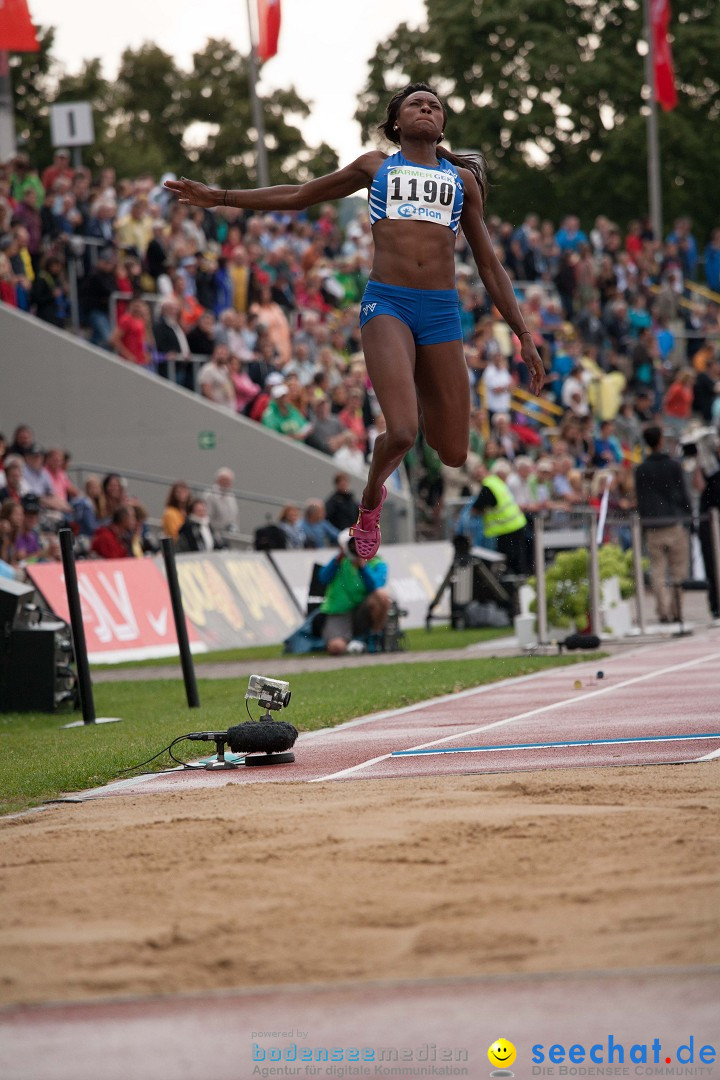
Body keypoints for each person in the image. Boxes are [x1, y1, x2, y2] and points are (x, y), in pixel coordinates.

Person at [165, 81, 543, 560]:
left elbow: (489, 265)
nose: (426, 109)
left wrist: (524, 335)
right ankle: (369, 502)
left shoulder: (461, 181)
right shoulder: (376, 166)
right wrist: (219, 196)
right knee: (403, 431)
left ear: (442, 124)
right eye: (415, 105)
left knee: (454, 453)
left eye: (435, 105)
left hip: (442, 312)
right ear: (397, 124)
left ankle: (411, 422)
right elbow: (300, 194)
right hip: (389, 305)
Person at [634, 426, 691, 623]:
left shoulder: (641, 469)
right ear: (660, 441)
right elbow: (683, 493)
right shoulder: (673, 465)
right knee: (677, 571)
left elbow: (640, 499)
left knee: (657, 571)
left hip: (653, 524)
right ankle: (677, 610)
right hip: (673, 522)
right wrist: (688, 514)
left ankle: (663, 610)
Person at [316, 530, 391, 655]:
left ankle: (374, 636)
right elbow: (323, 578)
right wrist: (338, 559)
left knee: (382, 596)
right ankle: (356, 645)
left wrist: (363, 568)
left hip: (363, 611)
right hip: (340, 611)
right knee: (336, 648)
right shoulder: (340, 560)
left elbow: (374, 587)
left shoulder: (378, 564)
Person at [469, 461, 528, 575]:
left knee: (509, 564)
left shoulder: (488, 486)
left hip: (507, 528)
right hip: (516, 524)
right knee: (518, 561)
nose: (478, 476)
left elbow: (475, 509)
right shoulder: (495, 481)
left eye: (479, 473)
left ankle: (514, 587)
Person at [203, 467, 239, 535]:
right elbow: (207, 515)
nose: (227, 483)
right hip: (213, 531)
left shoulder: (231, 496)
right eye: (225, 480)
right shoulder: (210, 495)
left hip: (229, 532)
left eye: (229, 481)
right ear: (218, 480)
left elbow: (234, 515)